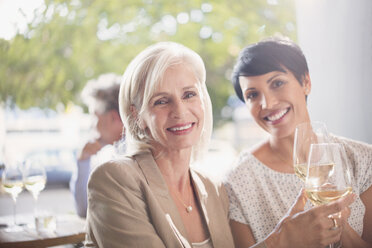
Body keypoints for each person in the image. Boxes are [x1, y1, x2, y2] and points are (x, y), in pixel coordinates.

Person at [84, 41, 355, 248]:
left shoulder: (213, 189)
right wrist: (282, 241)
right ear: (136, 116)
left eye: (189, 94)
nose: (180, 111)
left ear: (202, 101)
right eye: (161, 101)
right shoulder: (114, 179)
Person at [225, 37, 372, 247]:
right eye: (252, 95)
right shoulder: (238, 181)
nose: (268, 103)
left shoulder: (363, 160)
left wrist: (338, 225)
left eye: (277, 83)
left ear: (306, 82)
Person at [69, 73, 125, 218]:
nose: (92, 125)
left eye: (95, 116)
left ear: (113, 117)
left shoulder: (122, 161)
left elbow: (85, 210)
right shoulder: (113, 154)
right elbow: (84, 209)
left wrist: (83, 162)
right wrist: (83, 160)